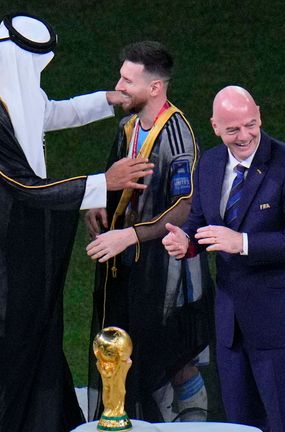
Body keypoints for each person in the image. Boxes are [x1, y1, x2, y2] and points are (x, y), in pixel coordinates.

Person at [0, 13, 154, 432]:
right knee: (13, 341)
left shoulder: (1, 86)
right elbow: (21, 186)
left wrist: (104, 100)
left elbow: (45, 113)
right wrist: (102, 184)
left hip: (15, 236)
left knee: (34, 337)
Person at [162, 86, 285, 431]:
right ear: (215, 127)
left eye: (250, 124)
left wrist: (243, 242)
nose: (244, 135)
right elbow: (201, 222)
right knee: (240, 425)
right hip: (232, 326)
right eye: (233, 129)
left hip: (282, 324)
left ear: (260, 116)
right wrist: (186, 241)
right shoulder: (210, 163)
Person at [84, 41, 214, 423]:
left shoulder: (178, 136)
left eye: (127, 80)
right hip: (129, 269)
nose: (118, 86)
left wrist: (130, 236)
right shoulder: (128, 128)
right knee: (132, 352)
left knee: (171, 357)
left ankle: (194, 424)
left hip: (168, 270)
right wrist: (96, 203)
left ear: (155, 88)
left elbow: (184, 205)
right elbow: (113, 182)